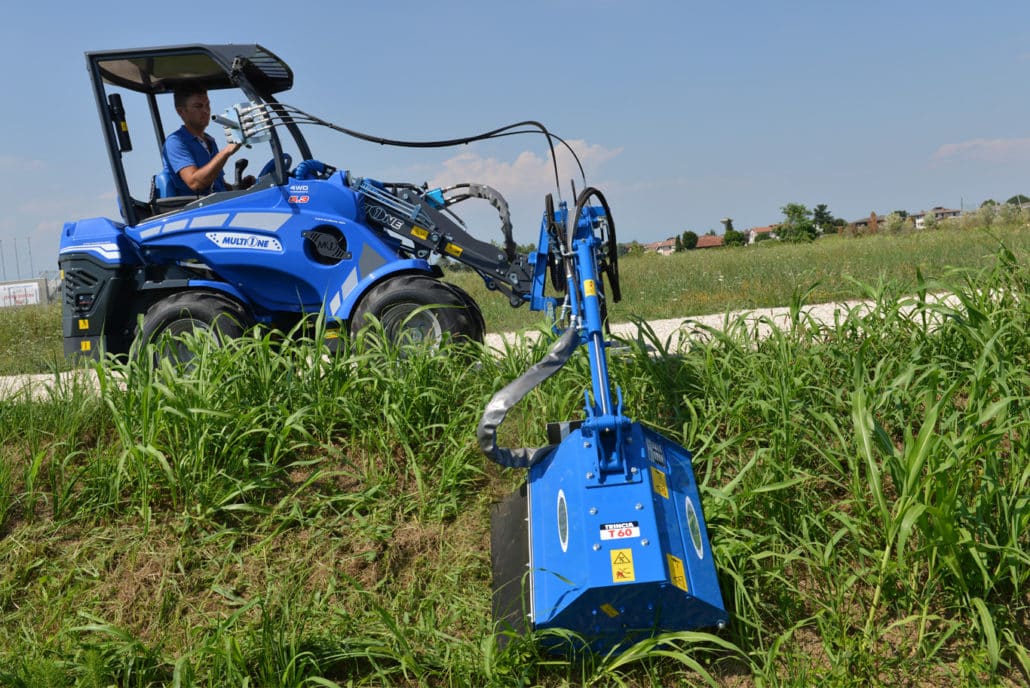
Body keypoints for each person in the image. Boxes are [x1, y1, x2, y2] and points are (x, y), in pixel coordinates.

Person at [162, 88, 251, 196]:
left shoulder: (210, 141)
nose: (206, 111)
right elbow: (195, 183)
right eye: (198, 106)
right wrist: (226, 151)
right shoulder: (175, 142)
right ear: (181, 111)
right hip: (197, 209)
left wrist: (240, 188)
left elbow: (218, 185)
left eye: (207, 105)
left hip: (218, 205)